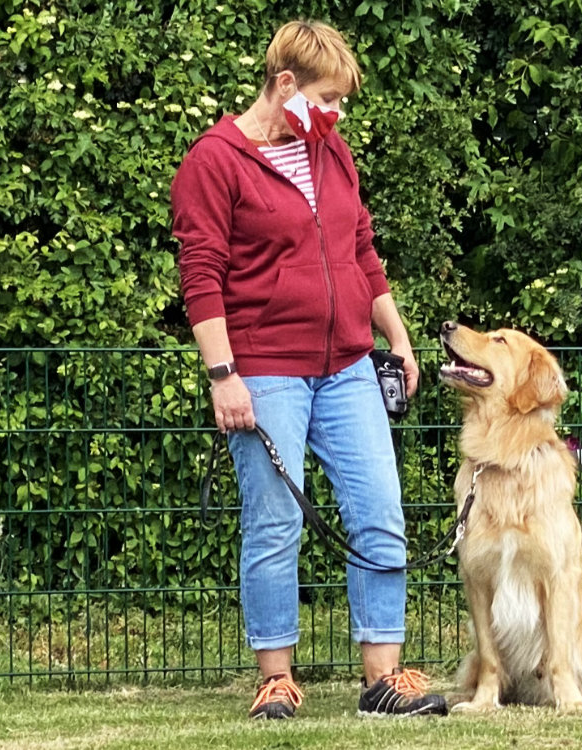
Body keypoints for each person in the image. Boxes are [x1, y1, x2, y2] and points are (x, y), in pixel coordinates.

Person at [171, 19, 446, 719]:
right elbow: (201, 275)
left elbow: (361, 249)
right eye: (327, 98)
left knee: (380, 509)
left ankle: (381, 680)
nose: (336, 114)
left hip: (348, 366)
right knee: (273, 523)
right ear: (285, 85)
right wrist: (222, 373)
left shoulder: (332, 152)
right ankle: (275, 679)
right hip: (263, 369)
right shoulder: (215, 161)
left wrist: (399, 337)